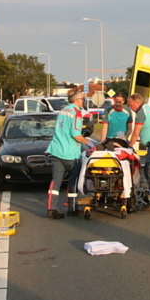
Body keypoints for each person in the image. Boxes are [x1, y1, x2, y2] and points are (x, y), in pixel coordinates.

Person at [45, 89, 93, 219]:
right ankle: (72, 208)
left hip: (56, 150)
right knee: (73, 181)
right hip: (70, 153)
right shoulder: (76, 113)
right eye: (82, 99)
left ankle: (52, 209)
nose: (83, 101)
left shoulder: (62, 111)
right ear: (77, 100)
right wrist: (89, 144)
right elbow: (76, 135)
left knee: (56, 181)